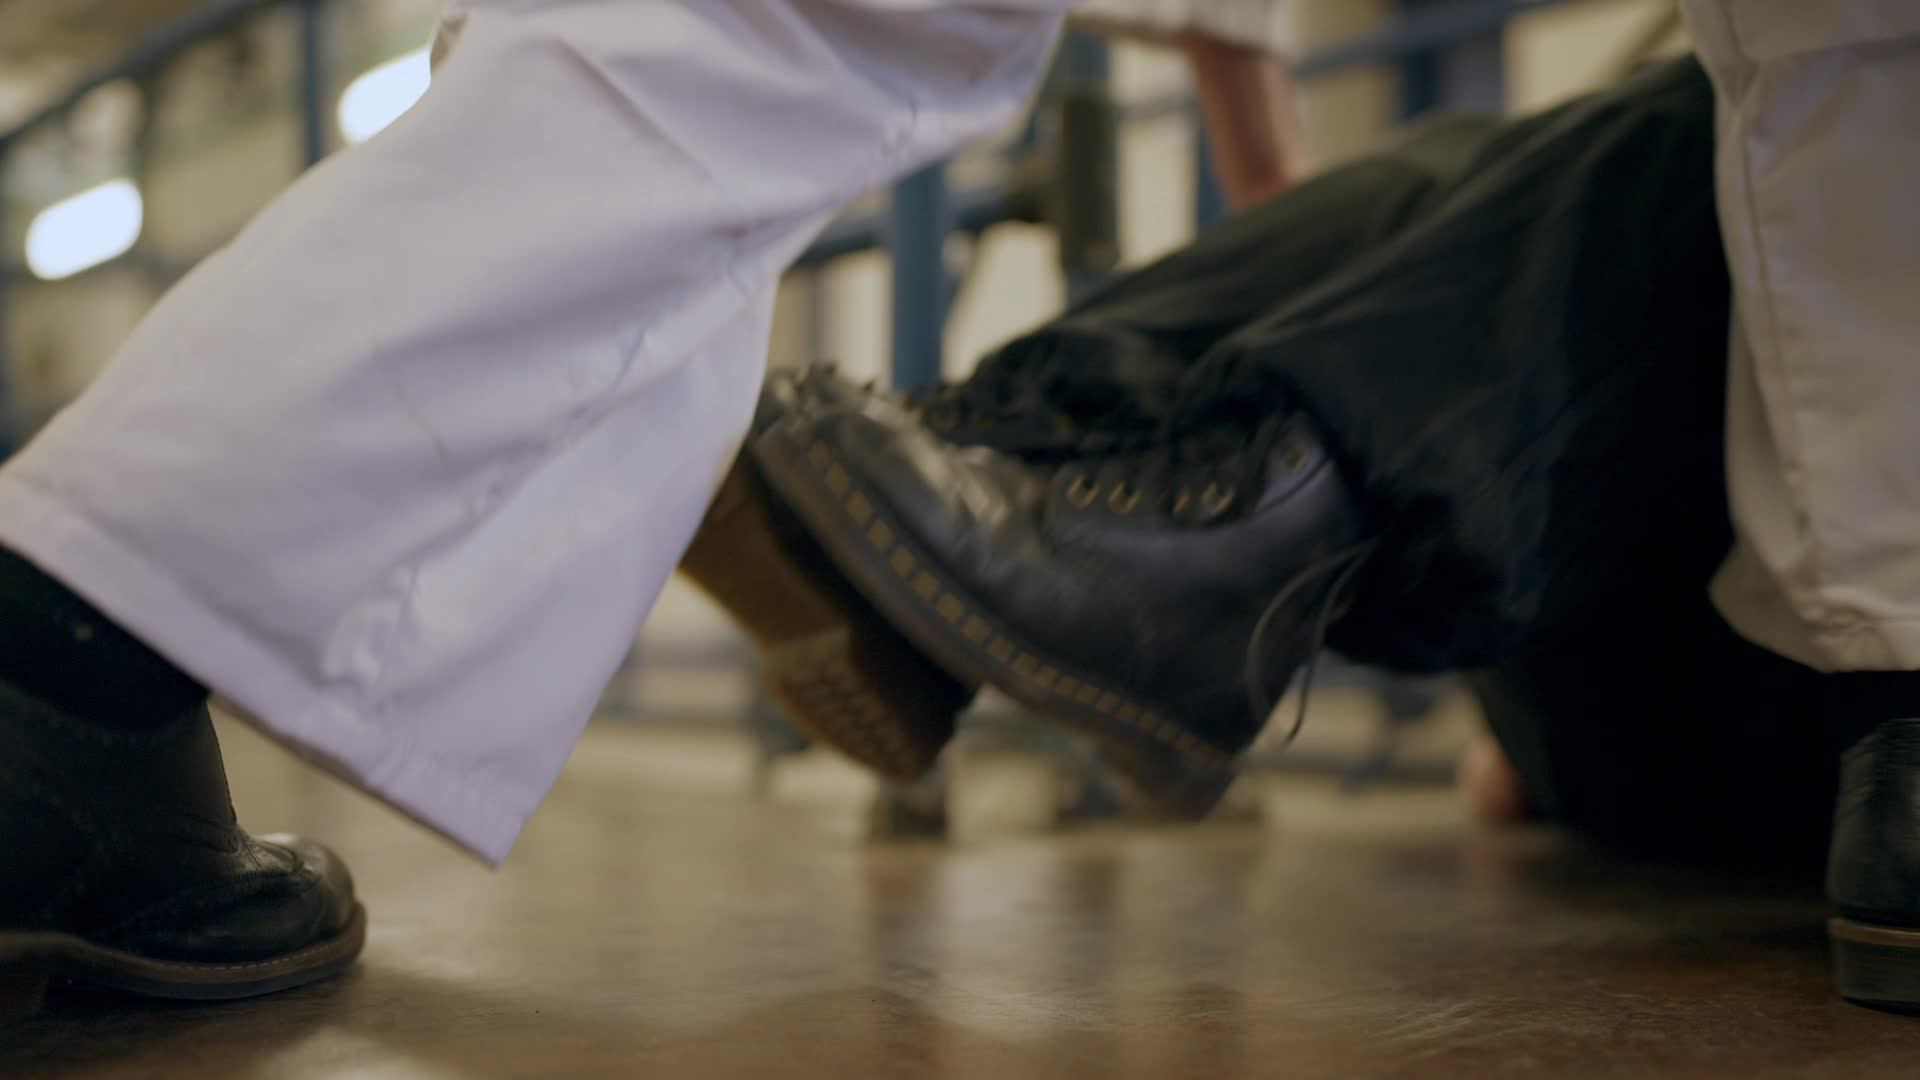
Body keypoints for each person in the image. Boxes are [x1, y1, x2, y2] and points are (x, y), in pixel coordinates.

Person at [0, 0, 1912, 1017]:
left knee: (1662, 145)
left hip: (1724, 692)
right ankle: (1047, 472)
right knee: (1574, 138)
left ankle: (1163, 515)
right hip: (1703, 681)